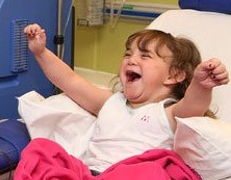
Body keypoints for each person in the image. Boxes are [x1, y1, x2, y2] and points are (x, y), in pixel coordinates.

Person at [24, 23, 229, 172]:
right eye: (128, 54)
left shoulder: (168, 113)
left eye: (145, 56)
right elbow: (69, 80)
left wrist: (202, 84)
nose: (131, 60)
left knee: (151, 177)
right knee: (40, 151)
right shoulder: (110, 102)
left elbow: (194, 105)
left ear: (174, 75)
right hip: (88, 177)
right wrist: (41, 52)